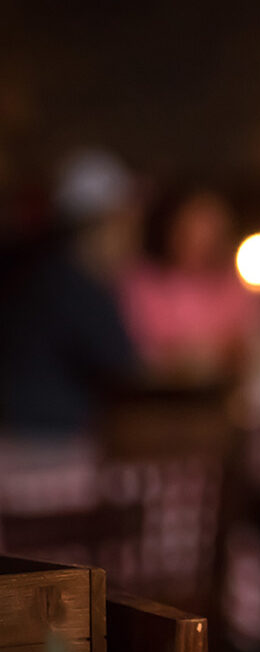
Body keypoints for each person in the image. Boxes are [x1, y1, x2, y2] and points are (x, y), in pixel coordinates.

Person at [0, 149, 139, 444]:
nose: (130, 235)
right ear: (101, 226)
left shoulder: (45, 273)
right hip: (45, 446)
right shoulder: (73, 284)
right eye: (123, 222)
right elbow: (122, 362)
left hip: (34, 434)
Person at [121, 188, 260, 384]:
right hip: (157, 396)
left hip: (220, 395)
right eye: (191, 228)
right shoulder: (142, 281)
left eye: (209, 230)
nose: (200, 239)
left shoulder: (232, 282)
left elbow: (250, 341)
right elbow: (138, 352)